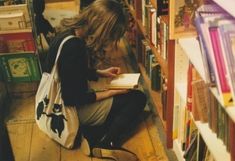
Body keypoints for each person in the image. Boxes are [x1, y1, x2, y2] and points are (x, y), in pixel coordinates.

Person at [45, 0, 147, 160]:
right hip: (69, 111)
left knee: (125, 99)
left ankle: (93, 133)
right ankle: (105, 141)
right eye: (109, 36)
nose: (107, 41)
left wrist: (100, 73)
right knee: (138, 98)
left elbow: (70, 72)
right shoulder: (75, 47)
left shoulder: (69, 33)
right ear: (102, 28)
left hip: (56, 103)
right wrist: (111, 92)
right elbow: (73, 98)